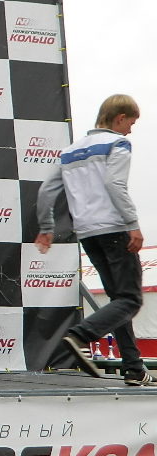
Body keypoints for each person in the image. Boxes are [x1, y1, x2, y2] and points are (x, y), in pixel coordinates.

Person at [36, 94, 152, 386]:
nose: (131, 130)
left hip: (88, 234)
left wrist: (47, 226)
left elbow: (46, 191)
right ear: (120, 118)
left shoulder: (70, 151)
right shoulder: (117, 143)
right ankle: (81, 335)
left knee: (118, 301)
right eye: (131, 123)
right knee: (130, 299)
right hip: (114, 228)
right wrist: (132, 224)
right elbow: (115, 183)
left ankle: (133, 368)